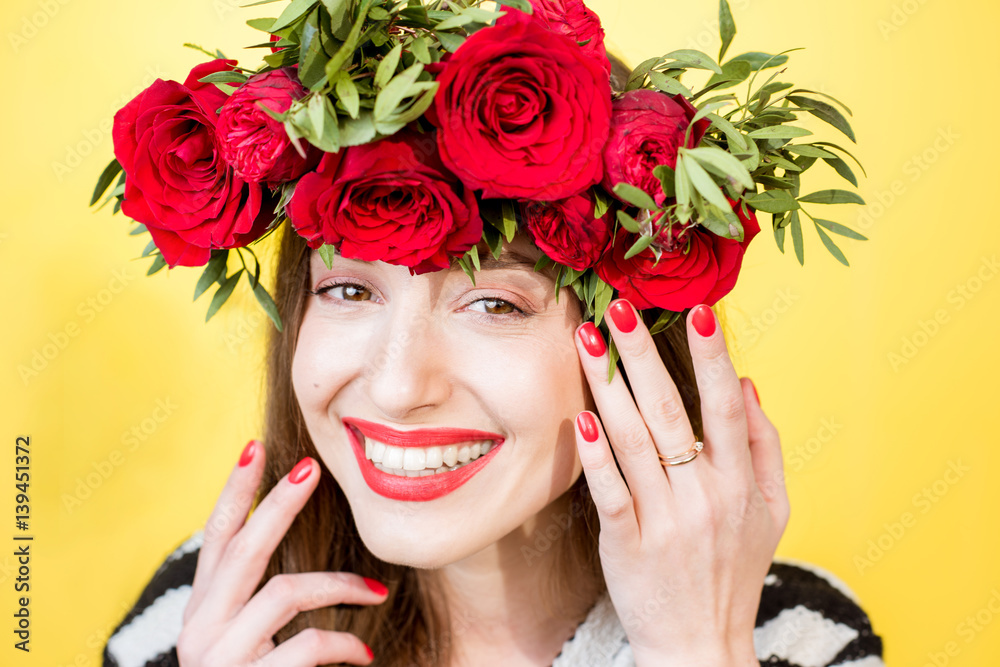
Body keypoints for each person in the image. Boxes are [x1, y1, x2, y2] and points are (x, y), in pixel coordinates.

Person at [95, 2, 884, 665]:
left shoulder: (797, 639)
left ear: (633, 343)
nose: (400, 387)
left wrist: (697, 652)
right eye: (345, 288)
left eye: (497, 304)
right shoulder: (198, 621)